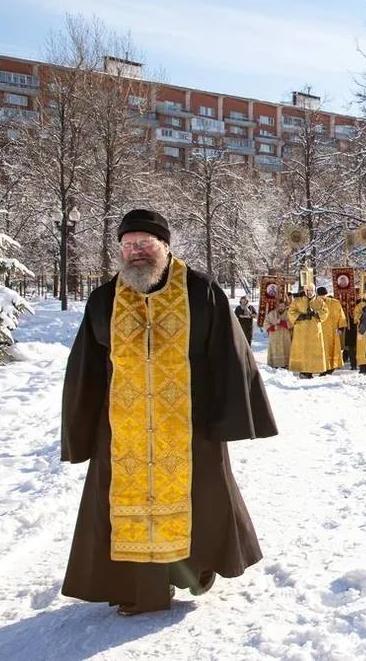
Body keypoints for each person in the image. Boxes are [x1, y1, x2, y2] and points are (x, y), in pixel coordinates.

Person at [61, 208, 277, 616]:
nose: (135, 252)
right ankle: (140, 591)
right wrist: (81, 426)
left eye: (144, 243)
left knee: (198, 500)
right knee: (125, 507)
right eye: (127, 245)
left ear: (164, 246)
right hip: (122, 431)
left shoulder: (200, 290)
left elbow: (229, 355)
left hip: (189, 426)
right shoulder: (105, 298)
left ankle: (193, 569)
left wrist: (227, 417)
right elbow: (86, 367)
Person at [288, 283, 329, 377]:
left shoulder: (319, 301)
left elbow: (326, 312)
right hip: (302, 331)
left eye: (312, 291)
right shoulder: (297, 301)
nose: (310, 293)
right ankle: (303, 370)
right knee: (303, 350)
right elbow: (291, 312)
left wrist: (316, 313)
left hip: (314, 331)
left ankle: (313, 369)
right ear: (305, 291)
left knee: (314, 350)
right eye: (308, 291)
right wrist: (301, 316)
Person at [316, 287, 346, 375]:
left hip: (332, 331)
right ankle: (322, 367)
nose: (322, 298)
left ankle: (331, 367)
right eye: (320, 296)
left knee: (332, 349)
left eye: (323, 295)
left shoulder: (335, 303)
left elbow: (341, 316)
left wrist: (341, 328)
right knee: (321, 349)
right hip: (319, 331)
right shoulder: (315, 303)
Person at [263, 297, 291, 368]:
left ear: (285, 306)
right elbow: (265, 323)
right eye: (279, 306)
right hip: (274, 337)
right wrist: (272, 328)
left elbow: (291, 324)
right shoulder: (271, 314)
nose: (281, 307)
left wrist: (281, 322)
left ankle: (285, 364)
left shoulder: (288, 314)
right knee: (274, 350)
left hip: (285, 336)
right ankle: (274, 364)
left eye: (282, 306)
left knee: (285, 349)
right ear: (277, 306)